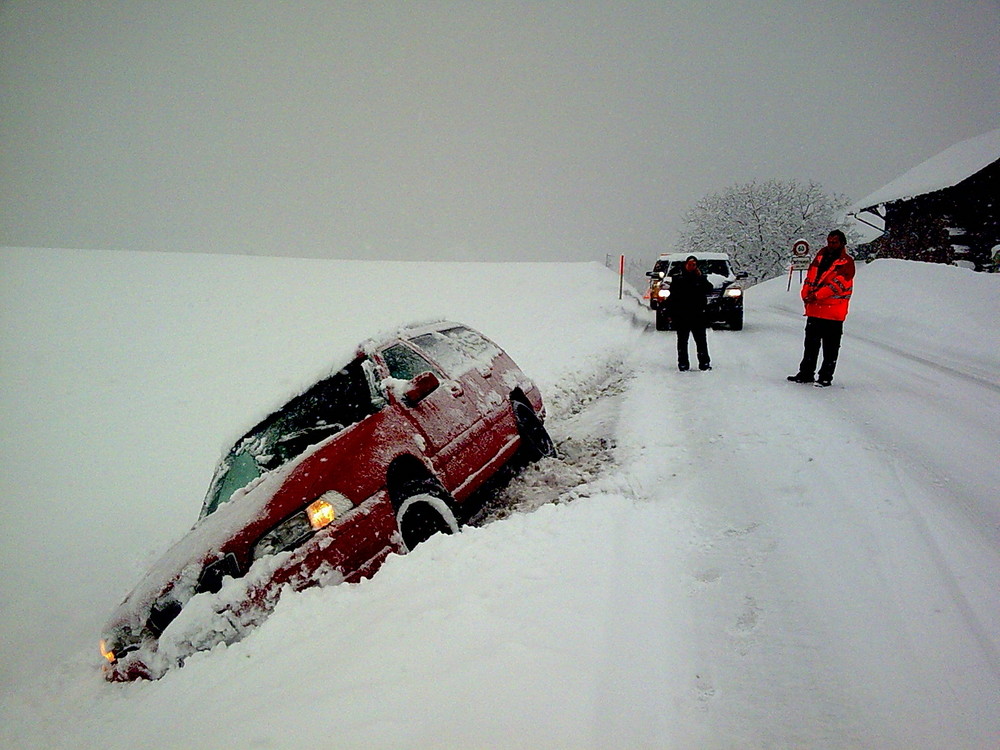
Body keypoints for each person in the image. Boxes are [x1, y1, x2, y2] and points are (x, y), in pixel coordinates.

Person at [787, 230, 855, 387]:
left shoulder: (846, 263)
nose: (831, 245)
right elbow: (810, 278)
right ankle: (806, 373)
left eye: (835, 242)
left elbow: (837, 285)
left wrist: (816, 296)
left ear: (842, 243)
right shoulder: (820, 257)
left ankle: (825, 377)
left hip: (833, 313)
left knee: (830, 348)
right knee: (810, 345)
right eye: (830, 241)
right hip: (815, 310)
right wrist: (805, 294)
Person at [669, 255, 713, 371]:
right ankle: (683, 364)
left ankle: (704, 363)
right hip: (682, 315)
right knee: (682, 342)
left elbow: (709, 289)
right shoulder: (678, 279)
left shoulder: (701, 279)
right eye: (689, 264)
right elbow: (672, 298)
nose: (691, 266)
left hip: (698, 315)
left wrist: (701, 278)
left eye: (694, 264)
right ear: (685, 265)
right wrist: (671, 314)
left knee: (701, 341)